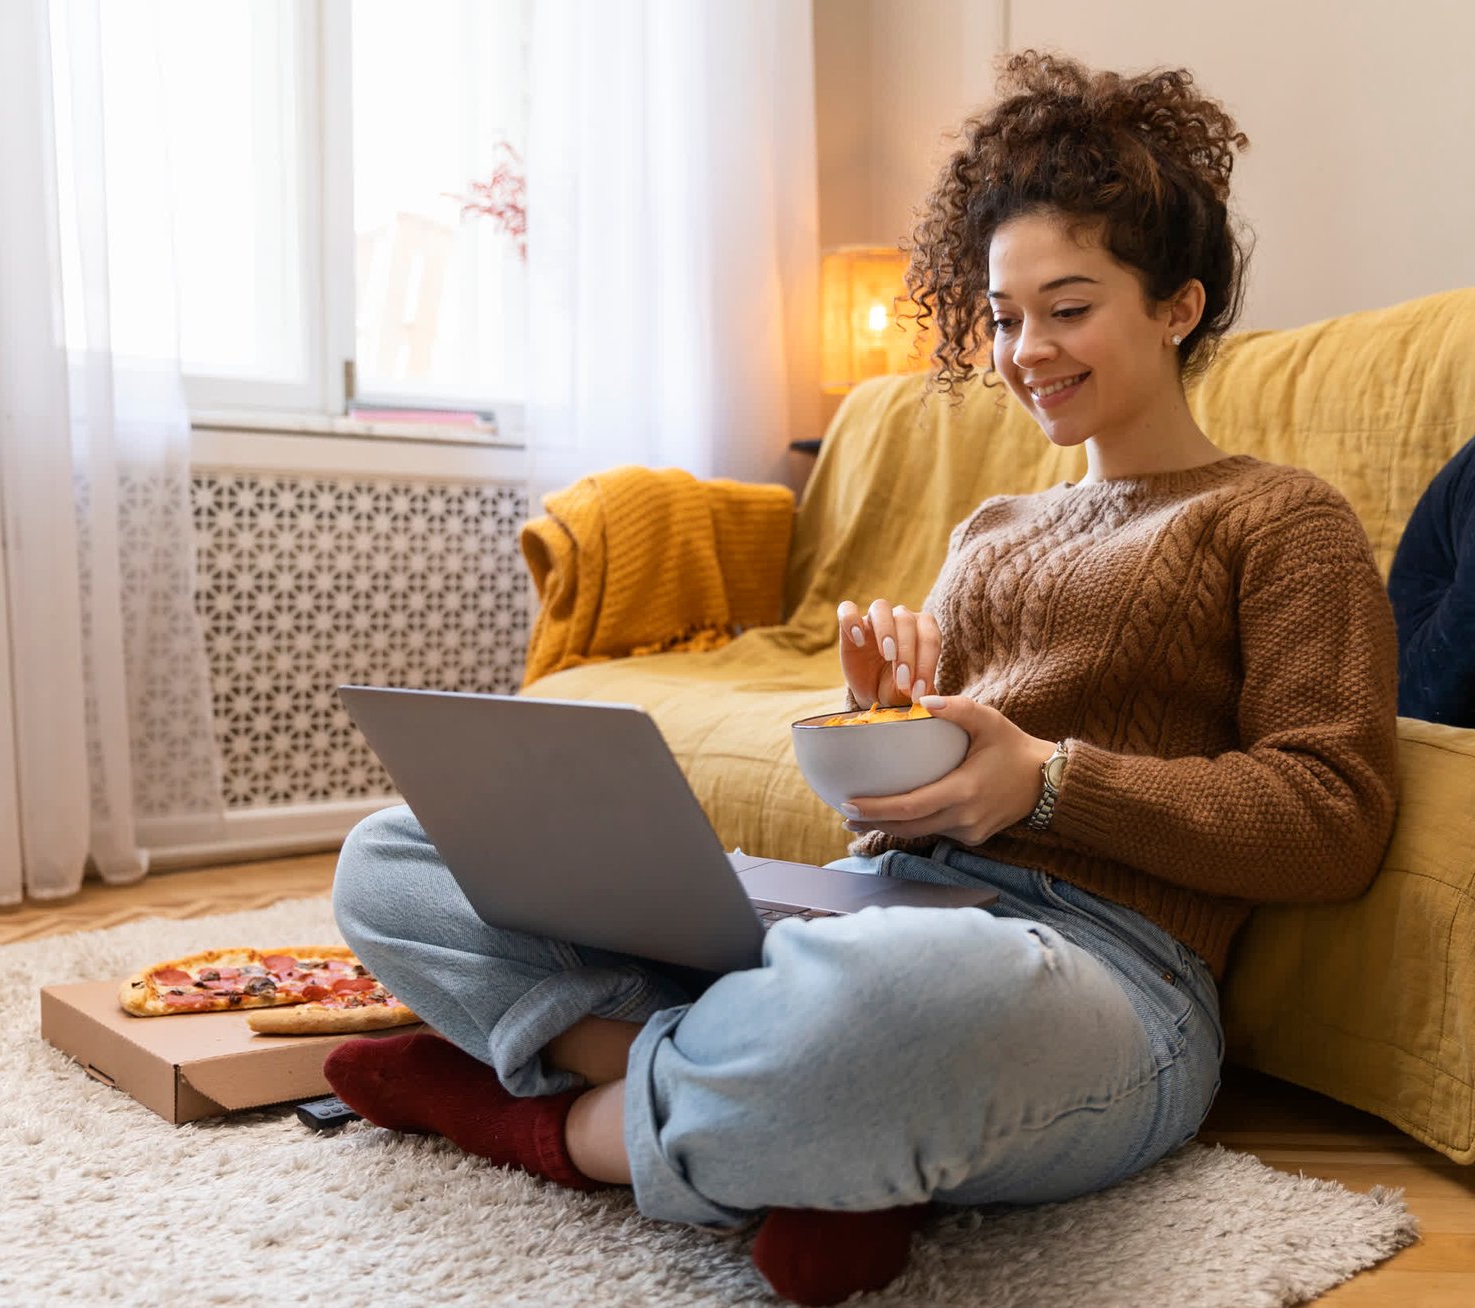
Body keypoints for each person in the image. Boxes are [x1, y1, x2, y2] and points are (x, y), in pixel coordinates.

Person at [324, 51, 1400, 1305]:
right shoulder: (993, 526)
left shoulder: (1281, 521)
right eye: (1002, 316)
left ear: (1177, 305)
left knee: (894, 1003)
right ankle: (794, 1129)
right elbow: (900, 820)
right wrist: (886, 735)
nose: (1025, 350)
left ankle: (552, 1123)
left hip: (1091, 972)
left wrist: (1043, 786)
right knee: (393, 856)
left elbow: (1335, 819)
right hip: (869, 914)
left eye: (1068, 306)